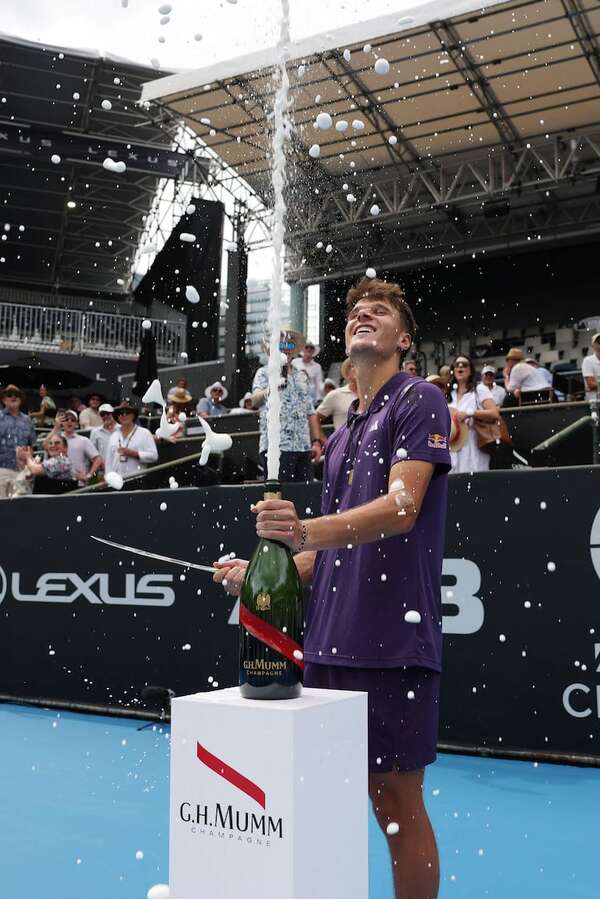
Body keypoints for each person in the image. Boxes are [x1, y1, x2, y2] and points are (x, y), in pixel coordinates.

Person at [216, 277, 451, 899]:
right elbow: (326, 554)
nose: (363, 316)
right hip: (325, 643)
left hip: (391, 639)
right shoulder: (343, 432)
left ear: (404, 339)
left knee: (395, 800)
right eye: (355, 313)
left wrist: (301, 530)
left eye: (380, 312)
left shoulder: (419, 398)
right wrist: (262, 573)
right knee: (323, 794)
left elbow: (402, 507)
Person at [252, 328, 323, 482]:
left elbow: (311, 412)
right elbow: (255, 400)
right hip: (276, 446)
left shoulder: (301, 376)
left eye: (290, 345)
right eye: (281, 345)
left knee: (305, 492)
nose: (286, 348)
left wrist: (316, 442)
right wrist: (271, 388)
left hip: (303, 446)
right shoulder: (264, 372)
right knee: (278, 492)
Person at [449, 354, 498, 473]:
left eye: (465, 365)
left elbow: (494, 413)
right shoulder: (449, 394)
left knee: (473, 478)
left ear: (470, 371)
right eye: (457, 365)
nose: (460, 366)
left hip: (473, 443)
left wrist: (469, 413)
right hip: (452, 446)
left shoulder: (479, 389)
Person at [105, 400, 158, 479]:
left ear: (133, 415)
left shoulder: (145, 433)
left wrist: (135, 454)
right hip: (117, 481)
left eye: (127, 413)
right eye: (121, 413)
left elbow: (154, 456)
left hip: (137, 478)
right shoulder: (113, 436)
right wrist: (108, 478)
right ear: (118, 417)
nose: (124, 415)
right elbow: (109, 462)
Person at [0, 384, 37, 497]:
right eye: (9, 394)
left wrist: (29, 466)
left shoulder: (27, 420)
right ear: (3, 399)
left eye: (17, 395)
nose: (13, 397)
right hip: (1, 470)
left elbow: (32, 445)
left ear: (21, 399)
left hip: (22, 472)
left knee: (22, 506)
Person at [51, 409, 103, 485]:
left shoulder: (83, 440)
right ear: (62, 422)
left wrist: (89, 475)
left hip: (78, 483)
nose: (69, 421)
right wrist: (56, 427)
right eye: (66, 419)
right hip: (57, 482)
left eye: (72, 420)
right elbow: (45, 447)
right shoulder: (56, 439)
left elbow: (98, 459)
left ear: (76, 424)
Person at [314, 358, 357, 442]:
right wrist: (325, 442)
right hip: (343, 446)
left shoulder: (372, 394)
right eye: (353, 366)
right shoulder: (336, 395)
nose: (358, 369)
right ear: (347, 372)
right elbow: (315, 418)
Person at [582, 333, 600, 401]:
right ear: (593, 345)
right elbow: (591, 385)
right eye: (598, 342)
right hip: (594, 401)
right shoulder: (588, 361)